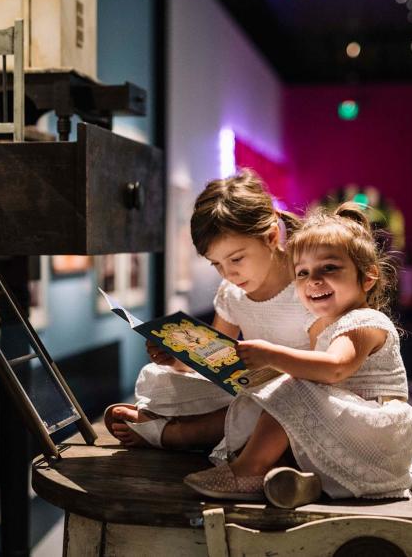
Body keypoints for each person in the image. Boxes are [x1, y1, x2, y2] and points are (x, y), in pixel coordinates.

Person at [184, 203, 412, 508]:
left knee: (295, 385)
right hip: (351, 432)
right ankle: (302, 481)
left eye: (330, 268)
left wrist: (272, 355)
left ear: (368, 276)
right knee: (284, 392)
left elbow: (335, 369)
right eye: (303, 273)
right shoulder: (327, 326)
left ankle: (248, 471)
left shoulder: (364, 322)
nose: (314, 280)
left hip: (379, 434)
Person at [105, 169, 314, 450]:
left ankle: (170, 434)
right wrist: (177, 358)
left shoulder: (309, 284)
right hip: (250, 385)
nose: (228, 273)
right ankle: (169, 420)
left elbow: (327, 363)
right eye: (216, 264)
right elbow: (215, 363)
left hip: (305, 389)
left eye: (236, 259)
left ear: (271, 237)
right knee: (158, 379)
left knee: (265, 403)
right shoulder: (232, 293)